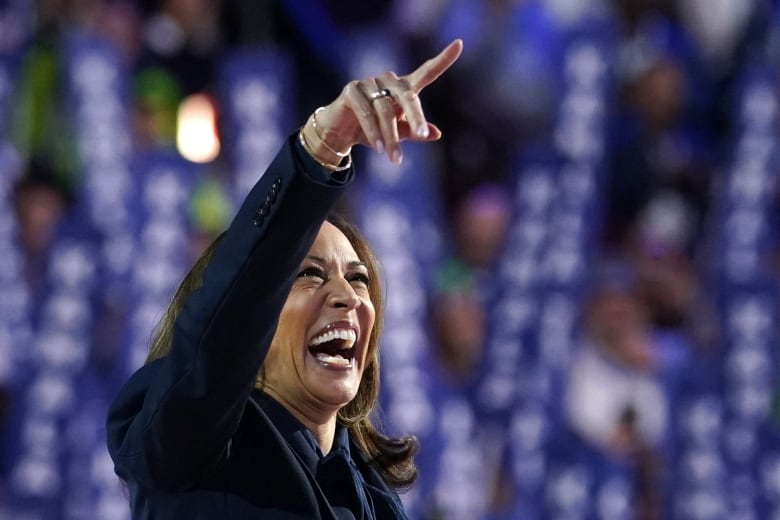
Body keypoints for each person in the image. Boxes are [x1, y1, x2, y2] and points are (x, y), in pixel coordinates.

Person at [106, 40, 463, 519]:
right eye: (310, 275)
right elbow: (230, 311)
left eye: (358, 281)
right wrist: (319, 151)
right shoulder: (187, 449)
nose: (346, 297)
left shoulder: (378, 503)